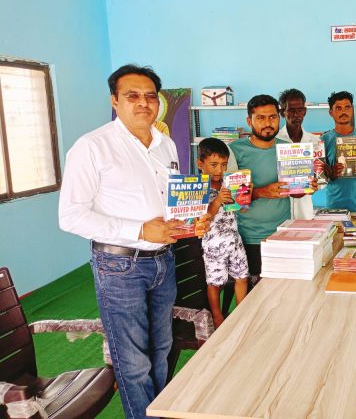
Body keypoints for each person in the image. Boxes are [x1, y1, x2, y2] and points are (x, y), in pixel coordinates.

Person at [59, 64, 210, 419]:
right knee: (133, 359)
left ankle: (156, 412)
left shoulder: (166, 144)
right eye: (132, 96)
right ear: (114, 101)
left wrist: (191, 220)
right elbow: (71, 216)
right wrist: (139, 230)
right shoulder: (92, 147)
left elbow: (168, 203)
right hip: (119, 265)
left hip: (163, 260)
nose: (143, 103)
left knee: (162, 348)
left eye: (150, 96)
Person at [228, 94, 317, 284]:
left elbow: (294, 192)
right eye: (260, 118)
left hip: (283, 234)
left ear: (279, 117)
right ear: (249, 121)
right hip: (249, 237)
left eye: (272, 117)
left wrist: (306, 187)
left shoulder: (289, 149)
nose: (267, 123)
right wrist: (262, 192)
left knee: (282, 291)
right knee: (253, 293)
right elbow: (231, 199)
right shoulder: (235, 149)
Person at [197, 138, 249, 329]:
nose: (220, 170)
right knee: (215, 283)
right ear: (200, 164)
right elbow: (204, 217)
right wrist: (218, 199)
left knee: (242, 276)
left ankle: (241, 314)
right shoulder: (199, 188)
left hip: (234, 240)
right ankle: (217, 318)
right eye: (214, 165)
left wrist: (244, 197)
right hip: (213, 245)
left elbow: (242, 210)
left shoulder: (228, 185)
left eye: (224, 165)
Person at [276, 88, 325, 219]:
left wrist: (316, 184)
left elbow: (321, 180)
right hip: (279, 212)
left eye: (300, 110)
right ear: (282, 112)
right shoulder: (275, 141)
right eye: (291, 110)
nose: (296, 114)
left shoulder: (315, 141)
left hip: (305, 212)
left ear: (305, 111)